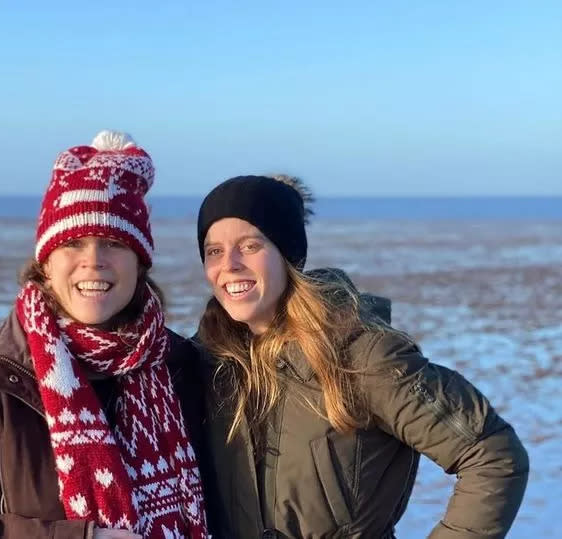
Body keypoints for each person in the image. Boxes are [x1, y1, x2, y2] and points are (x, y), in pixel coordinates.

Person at [194, 175, 529, 538]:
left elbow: (491, 453)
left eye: (250, 246)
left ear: (288, 255)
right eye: (214, 250)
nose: (229, 264)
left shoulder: (360, 356)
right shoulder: (202, 365)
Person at [0, 131, 209, 539]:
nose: (93, 261)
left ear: (140, 264)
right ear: (46, 265)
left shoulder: (183, 367)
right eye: (73, 244)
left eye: (113, 243)